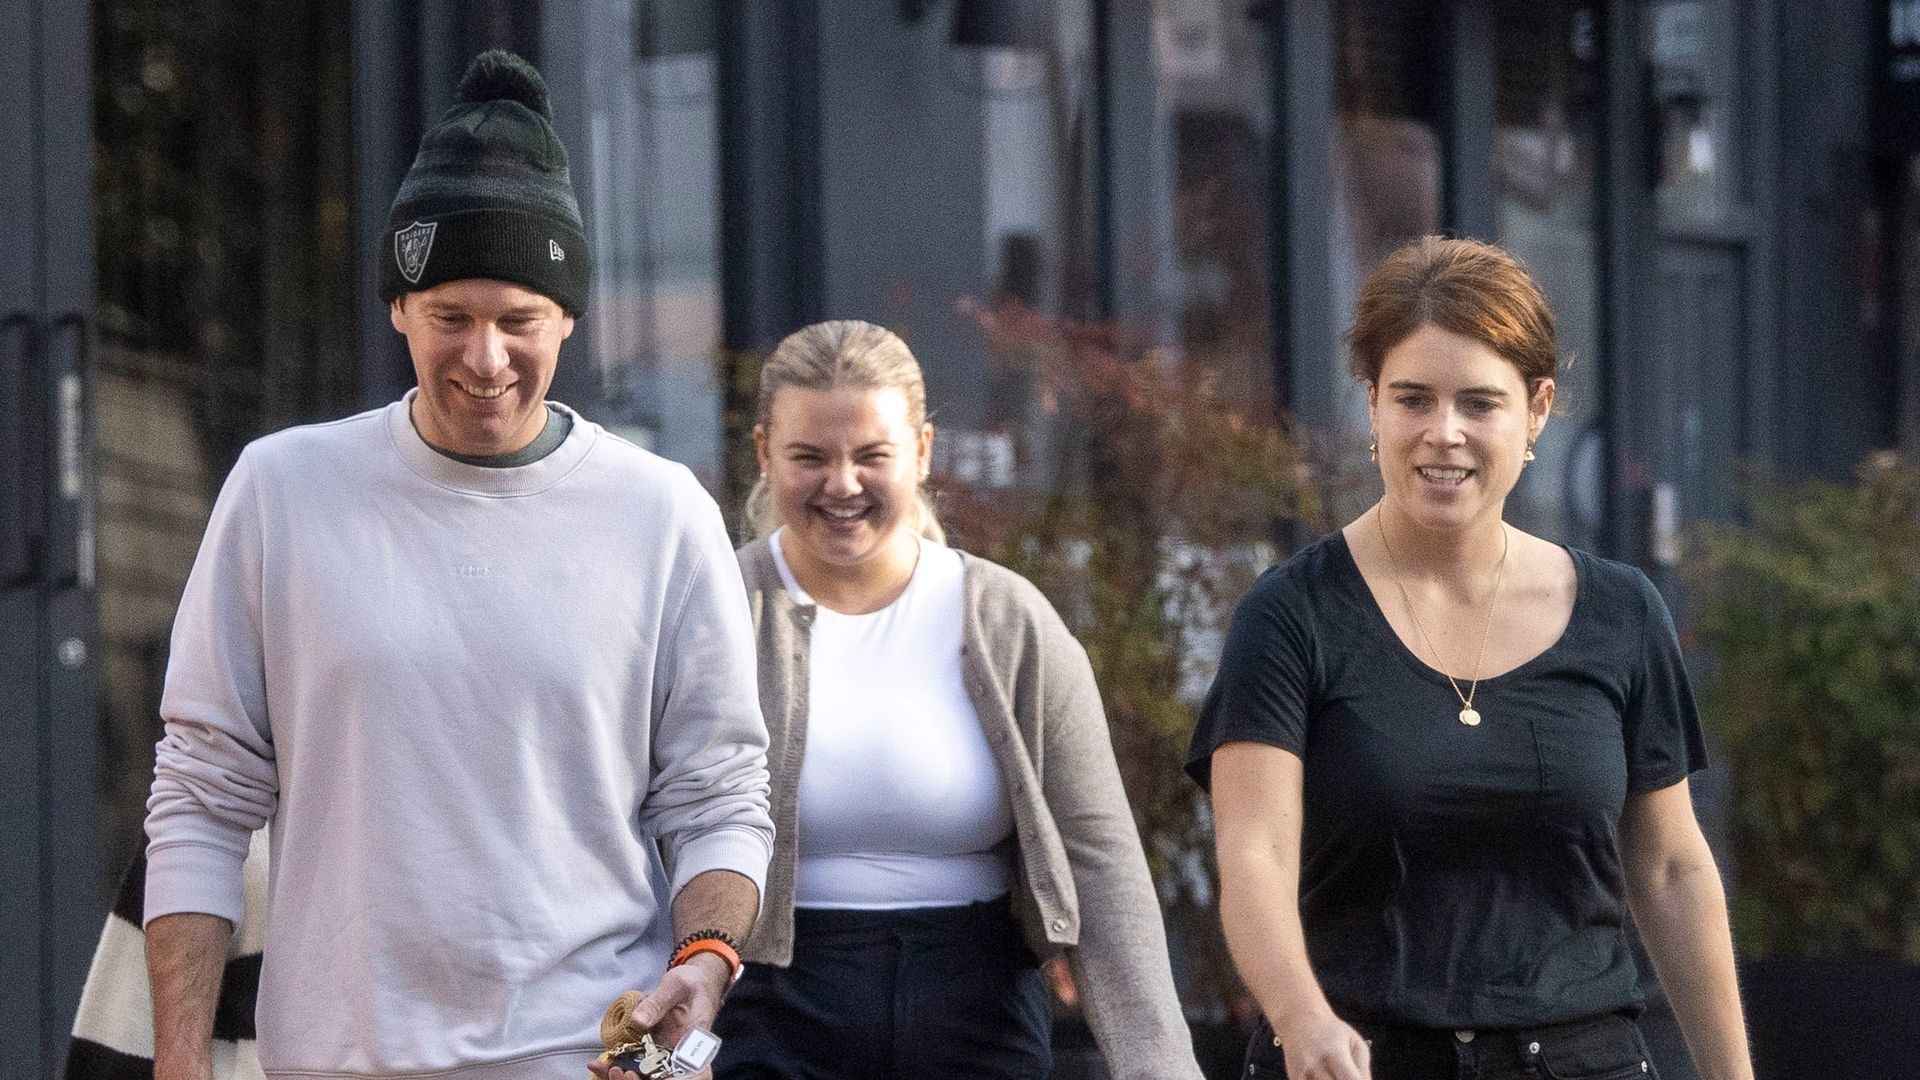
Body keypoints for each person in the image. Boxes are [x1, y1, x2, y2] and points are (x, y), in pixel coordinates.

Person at [142, 50, 773, 1080]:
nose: (486, 358)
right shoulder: (281, 491)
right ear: (399, 307)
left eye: (520, 320)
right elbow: (203, 796)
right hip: (337, 1057)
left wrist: (706, 957)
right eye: (452, 319)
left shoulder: (661, 515)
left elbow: (718, 795)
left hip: (588, 1059)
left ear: (568, 317)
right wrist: (180, 1060)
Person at [1188, 236, 1754, 1080]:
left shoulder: (1621, 612)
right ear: (1372, 403)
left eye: (1479, 404)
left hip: (1579, 1058)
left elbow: (1671, 869)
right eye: (1412, 399)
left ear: (1537, 410)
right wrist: (1300, 1015)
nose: (1442, 434)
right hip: (1356, 1061)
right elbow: (1254, 853)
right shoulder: (1292, 615)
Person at [712, 320, 1203, 1080]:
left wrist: (1160, 1068)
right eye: (810, 456)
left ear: (923, 453)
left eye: (872, 456)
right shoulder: (715, 612)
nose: (841, 484)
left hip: (976, 1008)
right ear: (764, 454)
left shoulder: (1007, 619)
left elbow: (1100, 858)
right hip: (770, 1009)